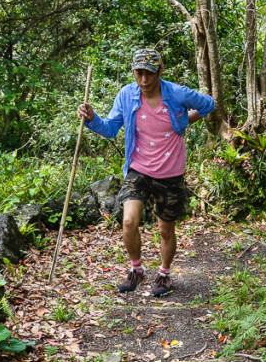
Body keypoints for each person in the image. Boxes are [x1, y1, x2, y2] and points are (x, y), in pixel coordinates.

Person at [77, 48, 215, 296]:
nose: (144, 80)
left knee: (166, 229)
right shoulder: (127, 95)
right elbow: (110, 129)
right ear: (133, 72)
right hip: (138, 168)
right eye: (139, 73)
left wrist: (185, 120)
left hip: (171, 171)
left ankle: (163, 274)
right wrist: (91, 118)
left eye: (149, 73)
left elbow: (208, 104)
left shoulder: (176, 93)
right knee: (129, 220)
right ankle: (136, 270)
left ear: (159, 72)